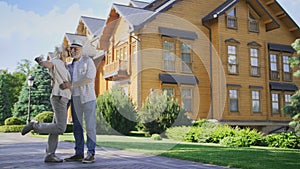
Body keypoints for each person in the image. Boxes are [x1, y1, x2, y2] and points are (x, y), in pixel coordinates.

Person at [21, 45, 71, 163]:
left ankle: (50, 154)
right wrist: (41, 62)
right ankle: (35, 125)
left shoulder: (64, 65)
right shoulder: (56, 61)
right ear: (61, 53)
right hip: (59, 97)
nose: (68, 51)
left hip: (65, 97)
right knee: (60, 127)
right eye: (66, 50)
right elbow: (48, 64)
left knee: (55, 126)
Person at [60, 39, 97, 164]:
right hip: (75, 99)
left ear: (81, 50)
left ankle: (91, 153)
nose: (73, 50)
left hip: (88, 99)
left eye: (76, 48)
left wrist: (71, 84)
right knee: (77, 127)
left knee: (90, 127)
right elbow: (59, 69)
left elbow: (88, 79)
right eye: (72, 48)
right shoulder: (69, 65)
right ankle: (79, 153)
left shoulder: (88, 62)